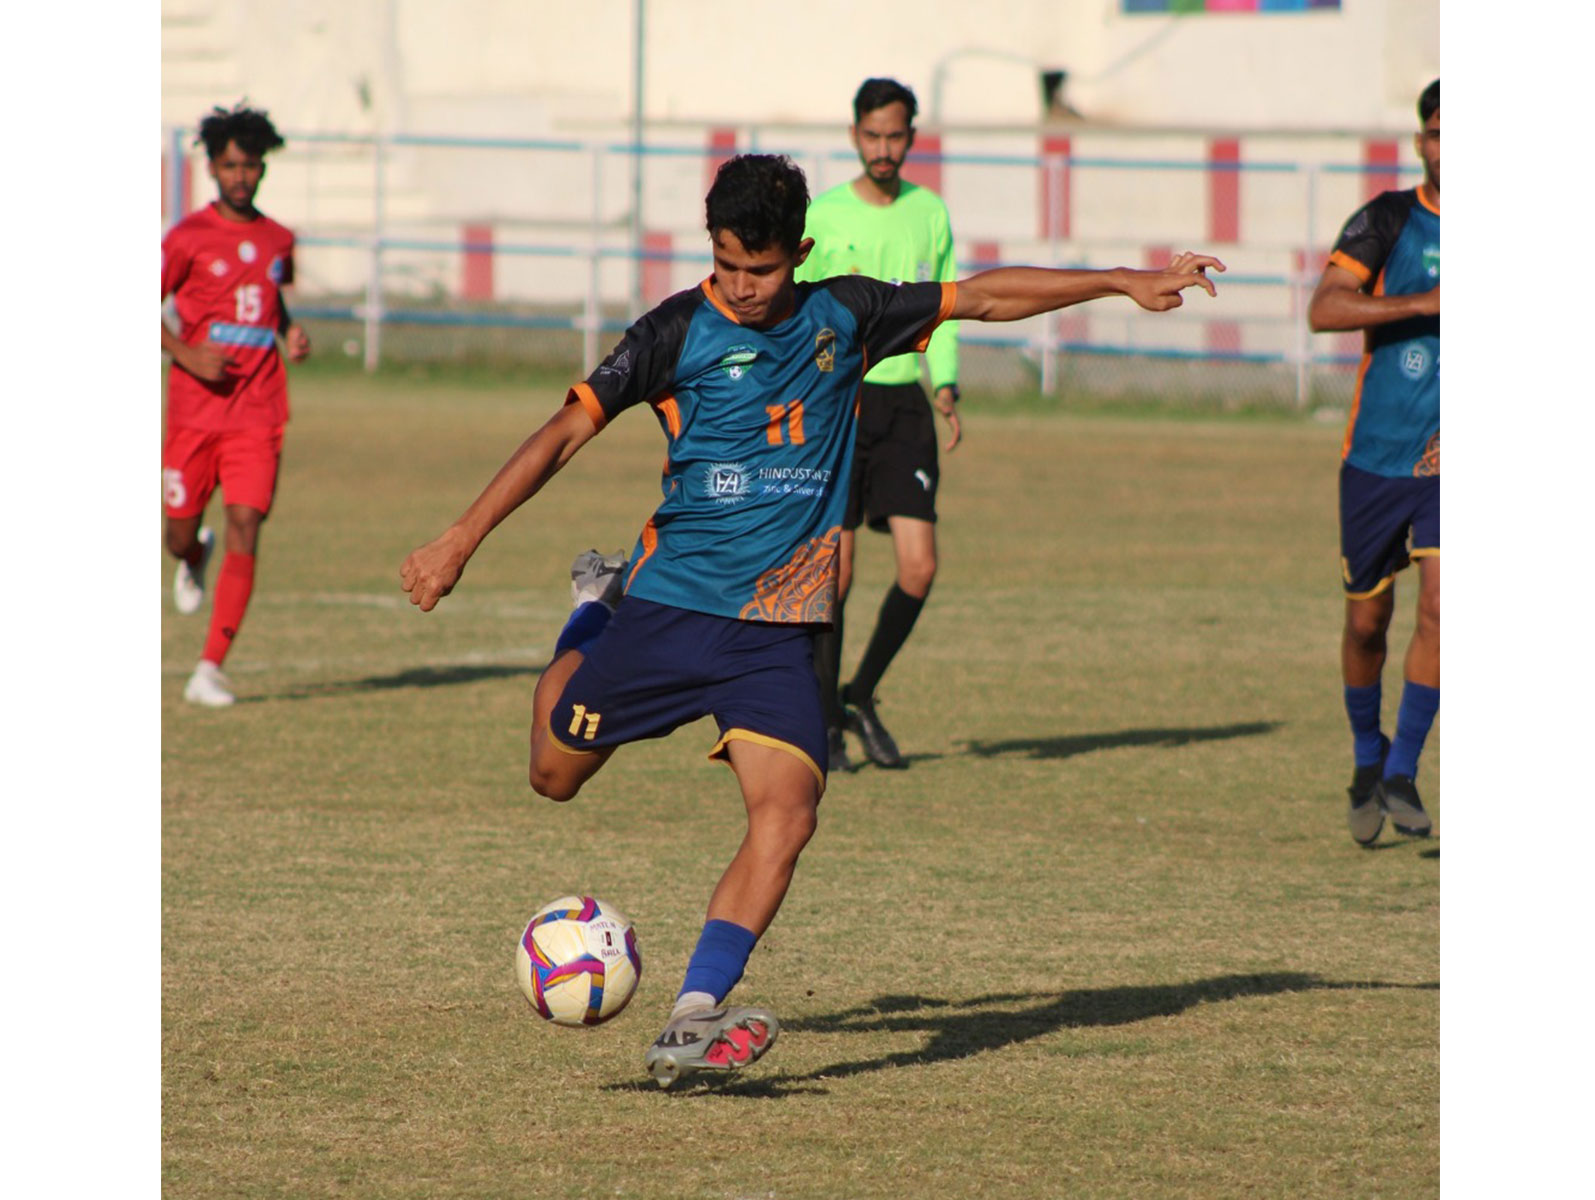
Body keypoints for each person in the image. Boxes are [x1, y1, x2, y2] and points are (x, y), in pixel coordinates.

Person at [400, 154, 1222, 1087]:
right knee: (553, 775)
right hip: (667, 608)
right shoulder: (674, 331)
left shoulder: (847, 315)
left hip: (778, 633)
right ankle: (592, 611)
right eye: (725, 264)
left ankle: (694, 1015)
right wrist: (461, 537)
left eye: (763, 268)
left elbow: (982, 299)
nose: (743, 288)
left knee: (788, 815)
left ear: (803, 251)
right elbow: (565, 429)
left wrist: (1120, 281)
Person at [795, 78, 960, 772]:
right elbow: (808, 313)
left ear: (912, 137)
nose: (884, 149)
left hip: (905, 408)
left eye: (895, 136)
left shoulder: (930, 213)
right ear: (855, 135)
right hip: (843, 407)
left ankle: (860, 696)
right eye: (872, 136)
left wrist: (944, 383)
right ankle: (826, 721)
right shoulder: (826, 216)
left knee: (920, 569)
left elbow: (945, 305)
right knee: (835, 575)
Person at [1308, 79, 1439, 846]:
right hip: (1376, 462)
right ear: (1420, 143)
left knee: (1441, 610)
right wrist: (1425, 304)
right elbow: (1325, 308)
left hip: (1448, 468)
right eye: (1435, 133)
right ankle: (1367, 759)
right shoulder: (1388, 218)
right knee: (1367, 623)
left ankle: (1404, 769)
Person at [161, 102, 310, 707]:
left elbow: (271, 302)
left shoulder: (278, 240)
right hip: (194, 413)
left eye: (250, 165)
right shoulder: (187, 238)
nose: (240, 176)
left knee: (247, 522)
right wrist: (184, 354)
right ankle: (193, 554)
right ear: (213, 169)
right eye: (229, 166)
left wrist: (290, 333)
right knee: (175, 534)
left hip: (258, 411)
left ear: (262, 169)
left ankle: (210, 668)